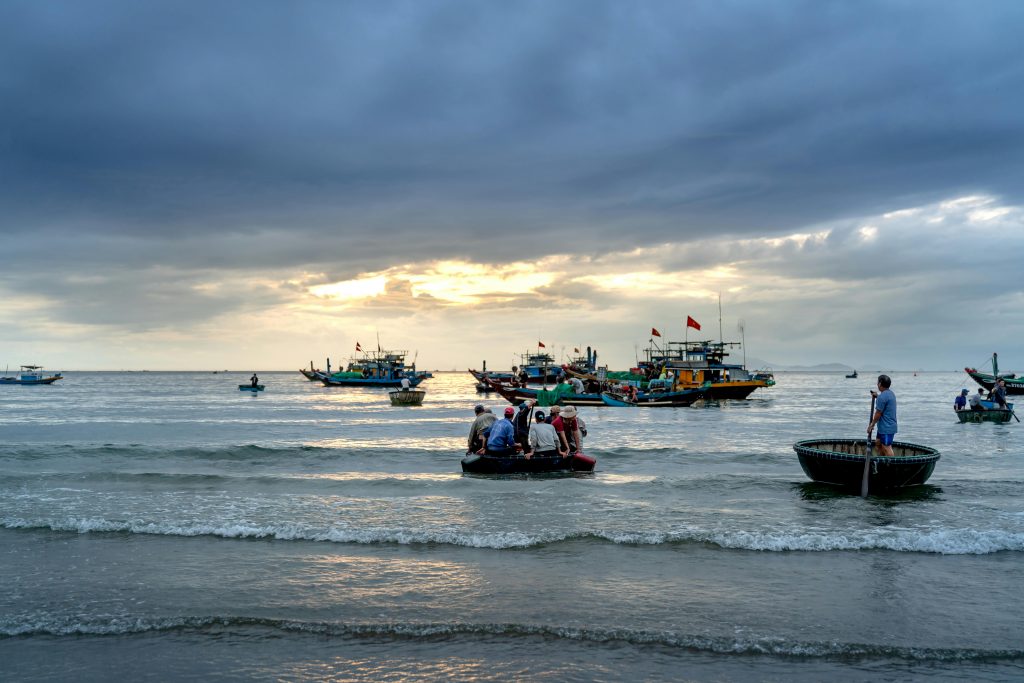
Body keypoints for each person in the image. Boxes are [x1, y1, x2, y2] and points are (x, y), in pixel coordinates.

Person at [868, 374, 897, 457]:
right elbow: (884, 401)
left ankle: (891, 466)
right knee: (878, 443)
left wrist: (871, 425)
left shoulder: (882, 397)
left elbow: (878, 414)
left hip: (887, 428)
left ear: (880, 384)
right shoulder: (891, 394)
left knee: (886, 447)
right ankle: (882, 460)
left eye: (877, 382)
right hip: (883, 427)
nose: (877, 384)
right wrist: (877, 396)